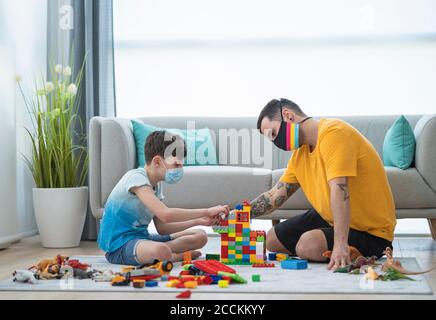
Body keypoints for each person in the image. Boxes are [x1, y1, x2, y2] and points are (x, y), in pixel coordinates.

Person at [252, 98, 396, 270]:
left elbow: (339, 188)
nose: (276, 142)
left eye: (274, 134)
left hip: (370, 232)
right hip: (331, 219)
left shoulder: (334, 133)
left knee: (307, 245)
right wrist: (235, 214)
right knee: (272, 240)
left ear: (288, 115)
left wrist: (340, 243)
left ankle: (350, 250)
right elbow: (274, 196)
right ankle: (323, 245)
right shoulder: (299, 156)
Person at [98, 130, 228, 266]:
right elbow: (166, 215)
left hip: (142, 239)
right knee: (161, 250)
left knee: (200, 236)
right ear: (157, 162)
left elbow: (163, 227)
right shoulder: (136, 178)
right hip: (119, 246)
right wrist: (207, 212)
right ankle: (173, 256)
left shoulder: (157, 185)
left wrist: (200, 221)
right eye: (176, 164)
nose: (180, 168)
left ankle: (166, 254)